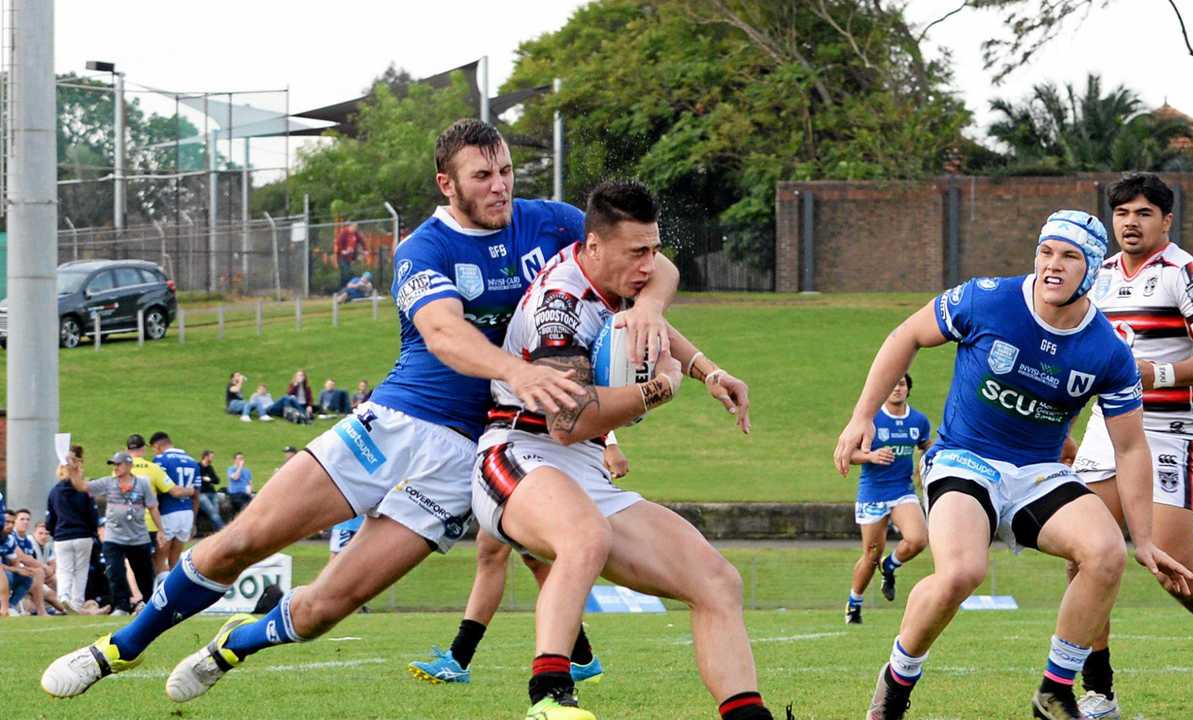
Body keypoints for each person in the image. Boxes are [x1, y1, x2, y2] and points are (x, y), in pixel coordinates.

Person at [40, 118, 677, 704]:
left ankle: (235, 643)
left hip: (472, 460)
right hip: (396, 423)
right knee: (244, 540)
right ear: (446, 183)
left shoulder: (552, 222)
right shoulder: (421, 249)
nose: (500, 186)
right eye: (482, 175)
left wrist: (649, 306)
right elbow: (444, 336)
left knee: (324, 610)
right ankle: (119, 647)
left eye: (506, 170)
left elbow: (644, 257)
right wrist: (517, 371)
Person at [834, 209, 1193, 720]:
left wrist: (1146, 539)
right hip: (964, 458)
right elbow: (906, 335)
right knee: (962, 572)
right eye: (1046, 252)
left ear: (1091, 271)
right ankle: (894, 687)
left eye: (1069, 257)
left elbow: (1132, 448)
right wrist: (860, 417)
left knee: (1105, 552)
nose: (1053, 265)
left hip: (1037, 472)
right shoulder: (988, 298)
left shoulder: (1108, 351)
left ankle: (1054, 690)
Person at [468, 181, 773, 720]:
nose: (648, 264)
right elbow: (569, 421)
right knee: (585, 534)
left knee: (717, 580)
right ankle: (549, 699)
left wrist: (707, 368)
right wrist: (660, 390)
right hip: (518, 451)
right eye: (637, 253)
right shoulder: (557, 307)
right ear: (593, 247)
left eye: (653, 248)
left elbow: (666, 275)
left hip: (582, 471)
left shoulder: (619, 270)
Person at [1068, 173, 1193, 718]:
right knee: (1086, 554)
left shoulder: (1188, 273)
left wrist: (1152, 373)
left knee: (1171, 568)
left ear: (1165, 220)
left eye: (1142, 213)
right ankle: (1099, 691)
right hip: (1106, 429)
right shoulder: (1098, 275)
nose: (1130, 222)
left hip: (1166, 431)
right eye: (1122, 214)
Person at [409, 437, 629, 684]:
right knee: (512, 556)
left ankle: (459, 659)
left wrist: (610, 443)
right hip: (510, 451)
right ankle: (582, 658)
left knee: (503, 553)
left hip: (549, 457)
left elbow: (590, 398)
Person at [842, 373, 931, 625]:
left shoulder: (918, 420)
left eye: (902, 384)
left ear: (908, 390)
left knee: (918, 539)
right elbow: (848, 455)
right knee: (870, 555)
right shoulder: (869, 420)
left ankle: (890, 566)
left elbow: (927, 445)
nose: (897, 389)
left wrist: (930, 459)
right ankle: (854, 603)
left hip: (902, 491)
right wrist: (870, 457)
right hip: (873, 492)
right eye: (892, 385)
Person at [65, 452, 167, 616]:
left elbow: (153, 507)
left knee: (144, 574)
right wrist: (73, 471)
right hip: (114, 537)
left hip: (138, 537)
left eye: (118, 464)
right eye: (114, 465)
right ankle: (122, 606)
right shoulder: (108, 483)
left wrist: (161, 530)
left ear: (128, 465)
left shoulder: (142, 484)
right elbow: (82, 486)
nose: (116, 468)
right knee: (115, 571)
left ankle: (148, 604)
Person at [127, 433, 193, 579]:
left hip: (126, 521)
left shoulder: (119, 468)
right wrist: (191, 490)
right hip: (151, 522)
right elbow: (174, 491)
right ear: (143, 449)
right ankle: (165, 594)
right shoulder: (153, 468)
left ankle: (136, 597)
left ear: (126, 450)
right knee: (163, 560)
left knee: (131, 562)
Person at [47, 444, 100, 612]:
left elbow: (51, 517)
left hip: (62, 536)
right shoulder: (83, 491)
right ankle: (77, 602)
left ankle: (63, 596)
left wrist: (53, 531)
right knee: (81, 571)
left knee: (64, 570)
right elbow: (92, 515)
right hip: (83, 535)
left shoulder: (54, 492)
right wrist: (93, 530)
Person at [150, 433, 203, 577]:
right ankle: (174, 592)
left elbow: (157, 489)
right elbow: (197, 494)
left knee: (160, 559)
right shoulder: (193, 462)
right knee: (175, 559)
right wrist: (193, 520)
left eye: (154, 449)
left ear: (158, 446)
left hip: (168, 511)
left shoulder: (161, 460)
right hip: (187, 513)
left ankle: (157, 594)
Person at [4, 509, 58, 616]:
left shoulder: (20, 540)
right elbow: (22, 557)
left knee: (41, 576)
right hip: (5, 572)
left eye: (28, 519)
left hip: (12, 571)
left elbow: (18, 560)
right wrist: (42, 567)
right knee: (46, 588)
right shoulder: (13, 537)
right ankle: (44, 610)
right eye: (22, 519)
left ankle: (11, 606)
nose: (25, 522)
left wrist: (21, 569)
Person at [196, 451, 226, 532]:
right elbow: (196, 479)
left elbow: (217, 480)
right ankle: (224, 530)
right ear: (206, 457)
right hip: (202, 494)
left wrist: (209, 480)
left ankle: (216, 534)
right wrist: (204, 479)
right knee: (213, 512)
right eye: (211, 456)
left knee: (215, 513)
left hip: (212, 493)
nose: (212, 458)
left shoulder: (210, 468)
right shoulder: (197, 467)